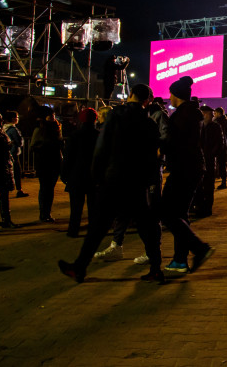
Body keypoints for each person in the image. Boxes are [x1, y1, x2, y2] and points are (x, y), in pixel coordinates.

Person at [59, 83, 166, 284]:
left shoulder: (117, 116)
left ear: (131, 94)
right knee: (146, 226)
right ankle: (156, 268)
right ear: (147, 100)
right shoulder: (149, 123)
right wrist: (148, 180)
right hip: (137, 182)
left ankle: (80, 267)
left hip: (114, 178)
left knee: (98, 226)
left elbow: (102, 147)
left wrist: (97, 175)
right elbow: (153, 156)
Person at [160, 76, 214, 273]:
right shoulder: (194, 114)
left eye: (171, 94)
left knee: (166, 212)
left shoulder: (182, 116)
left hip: (183, 168)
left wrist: (159, 145)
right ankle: (180, 259)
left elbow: (175, 143)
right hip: (193, 167)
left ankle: (199, 248)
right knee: (180, 214)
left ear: (177, 95)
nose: (169, 97)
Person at [62, 108, 99, 238]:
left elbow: (68, 156)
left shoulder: (75, 135)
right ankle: (93, 231)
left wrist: (64, 174)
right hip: (94, 176)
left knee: (76, 207)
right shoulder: (98, 135)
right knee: (93, 207)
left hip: (76, 175)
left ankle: (73, 230)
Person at [30, 106, 64, 222]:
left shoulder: (57, 127)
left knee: (50, 188)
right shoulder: (40, 129)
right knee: (45, 188)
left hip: (55, 161)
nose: (53, 117)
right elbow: (34, 146)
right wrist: (47, 146)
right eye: (51, 115)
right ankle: (44, 213)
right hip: (44, 162)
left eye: (54, 115)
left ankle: (47, 212)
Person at [192, 105, 223, 218]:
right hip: (200, 160)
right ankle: (200, 207)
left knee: (209, 185)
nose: (211, 116)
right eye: (210, 114)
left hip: (209, 160)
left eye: (211, 114)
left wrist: (212, 154)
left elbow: (219, 143)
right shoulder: (199, 126)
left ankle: (207, 208)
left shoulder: (215, 127)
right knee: (199, 185)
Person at [3, 111, 28, 199]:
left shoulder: (3, 128)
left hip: (6, 153)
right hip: (14, 153)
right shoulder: (13, 129)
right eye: (17, 117)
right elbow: (20, 142)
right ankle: (19, 190)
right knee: (17, 172)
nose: (18, 119)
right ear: (13, 119)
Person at [213, 107, 227, 189]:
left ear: (219, 113)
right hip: (225, 145)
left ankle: (221, 182)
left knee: (219, 164)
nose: (214, 115)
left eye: (215, 113)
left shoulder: (218, 121)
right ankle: (223, 181)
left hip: (219, 145)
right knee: (222, 164)